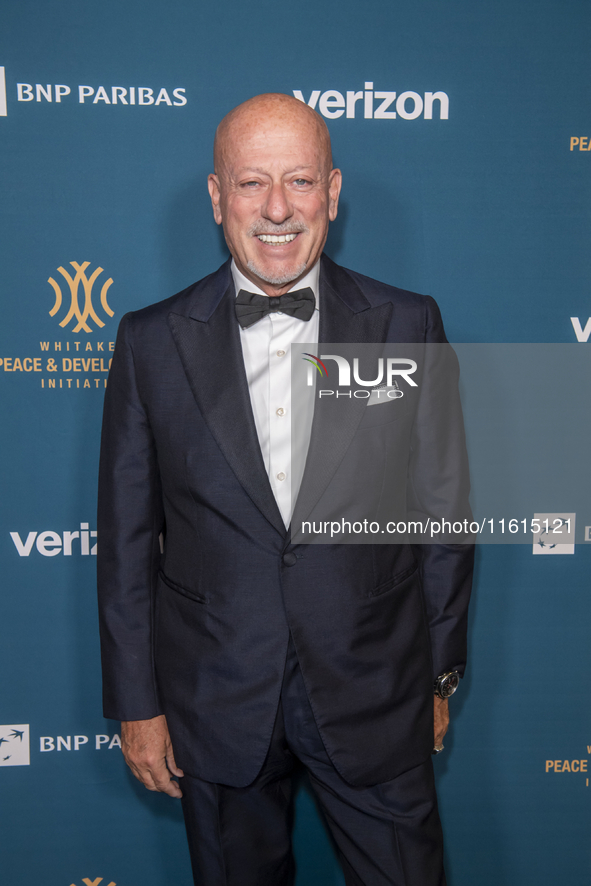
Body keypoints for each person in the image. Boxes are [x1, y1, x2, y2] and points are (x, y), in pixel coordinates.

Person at [97, 92, 474, 886]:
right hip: (215, 698)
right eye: (250, 183)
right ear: (215, 196)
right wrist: (137, 704)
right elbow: (126, 543)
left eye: (299, 181)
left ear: (332, 193)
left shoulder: (407, 324)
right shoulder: (148, 341)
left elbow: (444, 516)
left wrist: (438, 677)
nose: (276, 209)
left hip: (376, 690)